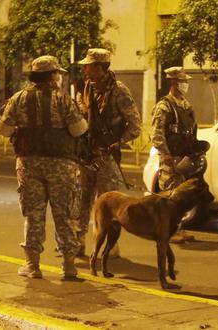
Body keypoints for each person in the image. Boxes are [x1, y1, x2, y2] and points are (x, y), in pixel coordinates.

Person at [0, 55, 88, 280]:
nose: (59, 77)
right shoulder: (64, 100)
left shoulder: (18, 99)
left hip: (29, 164)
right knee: (63, 215)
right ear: (51, 76)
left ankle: (32, 266)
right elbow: (79, 130)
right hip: (61, 165)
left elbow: (3, 130)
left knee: (33, 215)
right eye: (57, 73)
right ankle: (69, 267)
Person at [76, 48, 142, 257]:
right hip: (87, 155)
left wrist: (117, 142)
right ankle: (76, 243)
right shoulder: (86, 88)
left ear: (100, 67)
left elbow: (135, 125)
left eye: (89, 65)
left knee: (110, 205)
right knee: (81, 200)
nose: (85, 69)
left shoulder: (119, 91)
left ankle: (110, 247)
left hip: (107, 157)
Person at [151, 66, 200, 244]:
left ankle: (179, 228)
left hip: (184, 158)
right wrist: (165, 154)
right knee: (169, 196)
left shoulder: (185, 105)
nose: (185, 84)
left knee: (181, 197)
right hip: (170, 158)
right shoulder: (164, 106)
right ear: (173, 82)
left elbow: (192, 130)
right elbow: (157, 133)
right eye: (182, 81)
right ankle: (167, 231)